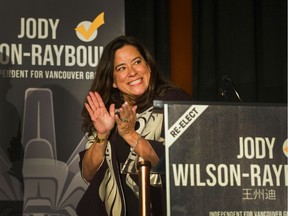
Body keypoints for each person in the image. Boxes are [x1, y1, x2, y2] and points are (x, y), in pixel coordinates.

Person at [76, 35, 191, 216]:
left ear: (148, 67)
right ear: (113, 80)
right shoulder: (108, 112)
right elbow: (88, 174)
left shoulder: (174, 102)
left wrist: (130, 135)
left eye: (137, 62)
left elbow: (182, 164)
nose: (132, 72)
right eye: (122, 68)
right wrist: (102, 135)